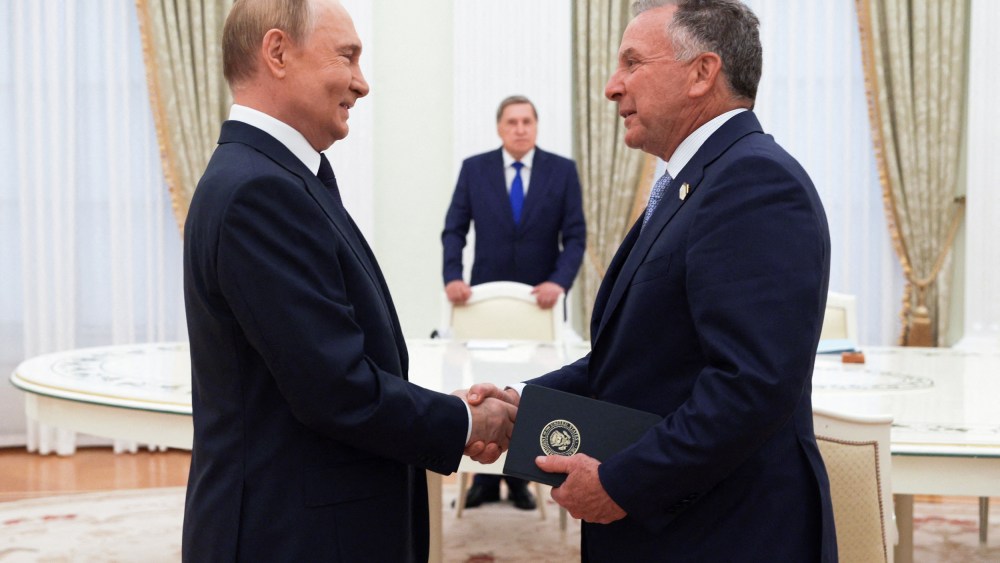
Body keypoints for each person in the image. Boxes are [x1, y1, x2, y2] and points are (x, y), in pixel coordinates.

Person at [472, 0, 837, 560]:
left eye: (632, 63)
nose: (612, 87)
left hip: (727, 534)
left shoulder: (754, 183)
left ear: (701, 72)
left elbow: (750, 386)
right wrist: (525, 403)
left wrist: (623, 482)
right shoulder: (694, 180)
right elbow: (639, 357)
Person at [182, 1, 515, 561]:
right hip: (293, 535)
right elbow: (334, 389)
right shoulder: (259, 192)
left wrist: (443, 409)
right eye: (348, 56)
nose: (362, 84)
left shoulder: (278, 176)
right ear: (278, 53)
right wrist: (461, 420)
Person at [441, 96, 586, 510]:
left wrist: (559, 282)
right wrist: (453, 275)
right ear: (500, 128)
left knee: (530, 388)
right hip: (483, 302)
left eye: (527, 121)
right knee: (486, 387)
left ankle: (520, 477)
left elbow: (575, 237)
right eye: (512, 122)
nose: (520, 128)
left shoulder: (562, 171)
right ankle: (483, 483)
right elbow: (454, 229)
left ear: (536, 127)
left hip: (539, 307)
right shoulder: (475, 169)